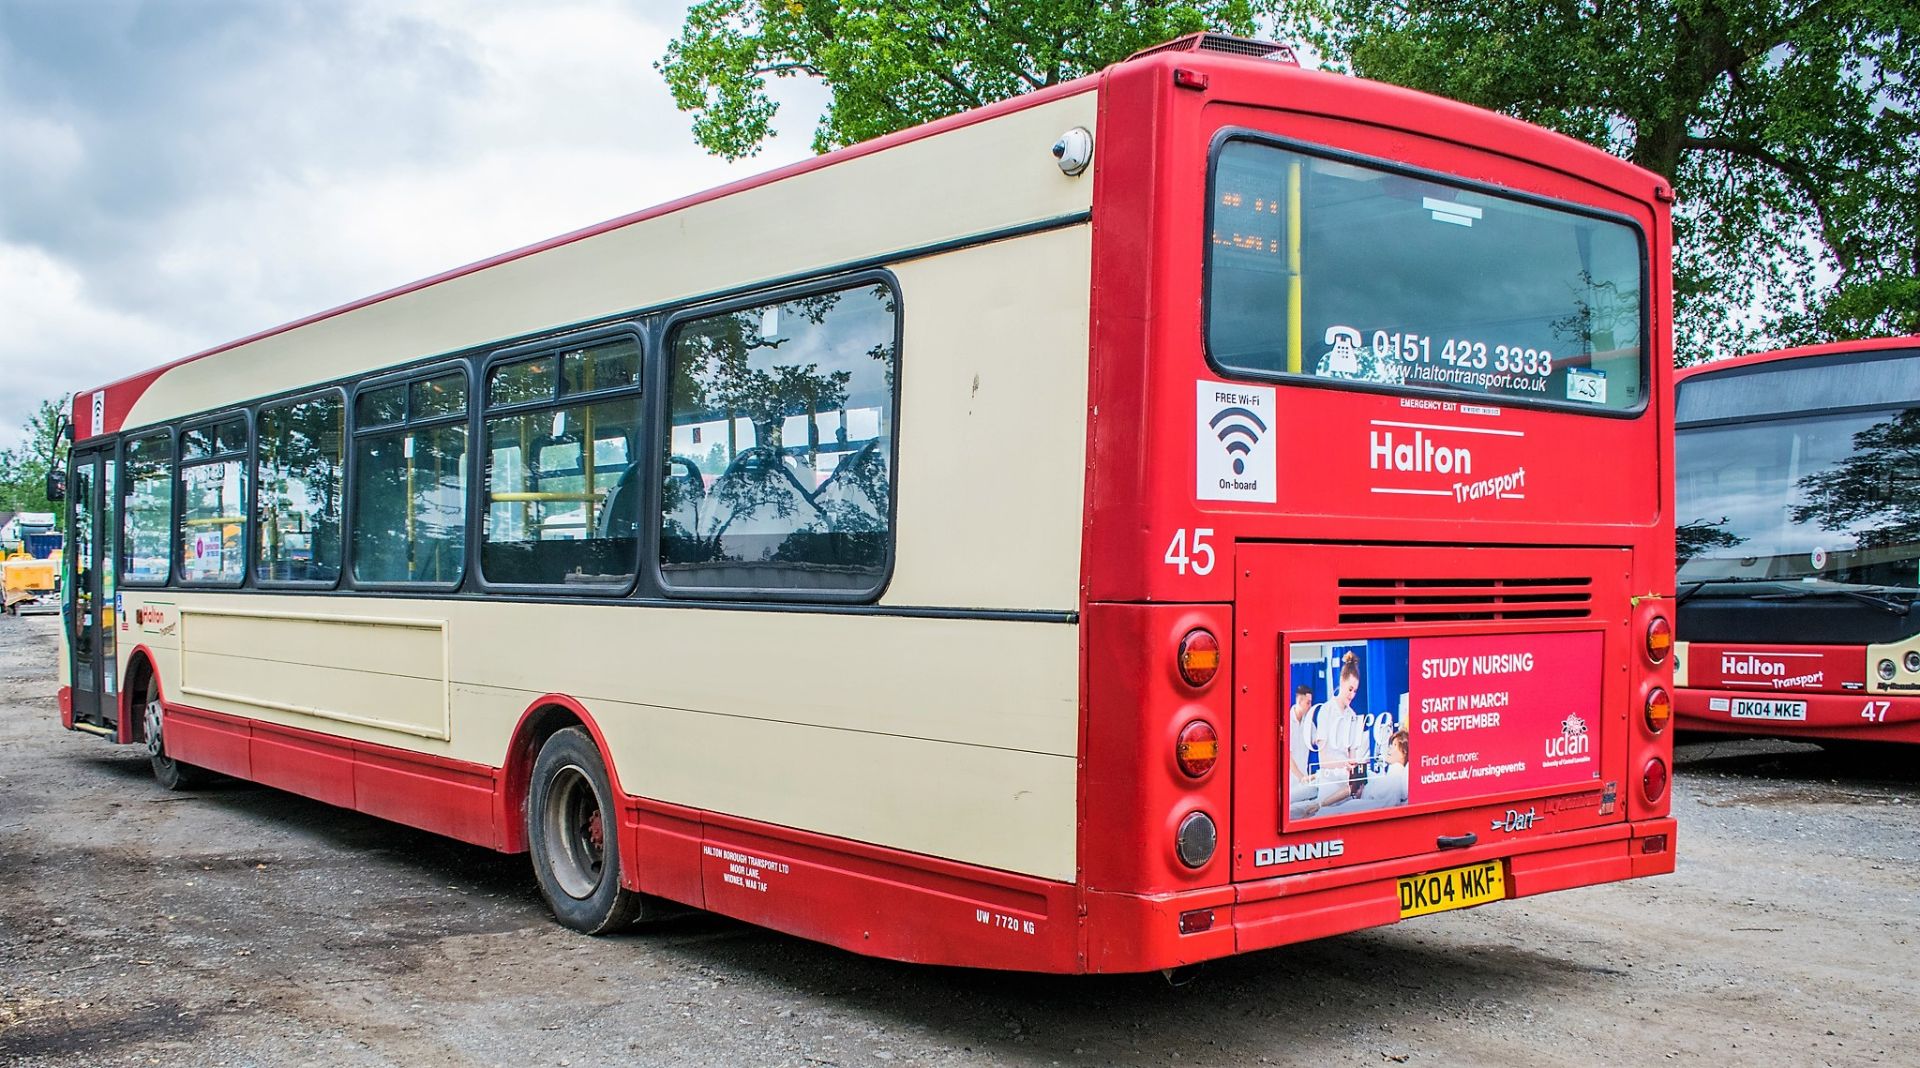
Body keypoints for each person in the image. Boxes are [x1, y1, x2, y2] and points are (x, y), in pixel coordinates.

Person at [1312, 651, 1366, 807]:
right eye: (1350, 689)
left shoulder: (1353, 716)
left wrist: (1356, 775)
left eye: (1355, 691)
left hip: (1346, 789)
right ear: (1341, 681)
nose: (1352, 695)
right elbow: (1323, 761)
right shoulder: (1326, 711)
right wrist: (1343, 764)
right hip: (1329, 785)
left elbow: (1352, 756)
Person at [1323, 730, 1411, 813]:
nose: (1389, 749)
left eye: (1394, 745)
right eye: (1390, 745)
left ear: (1404, 751)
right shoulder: (1387, 777)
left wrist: (1363, 795)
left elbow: (1381, 805)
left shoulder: (1395, 781)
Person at [1285, 683, 1322, 819]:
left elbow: (1319, 742)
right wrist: (1301, 777)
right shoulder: (1287, 722)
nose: (1310, 706)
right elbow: (1286, 756)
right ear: (1299, 701)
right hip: (1290, 781)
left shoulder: (1309, 724)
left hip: (1304, 782)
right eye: (1308, 703)